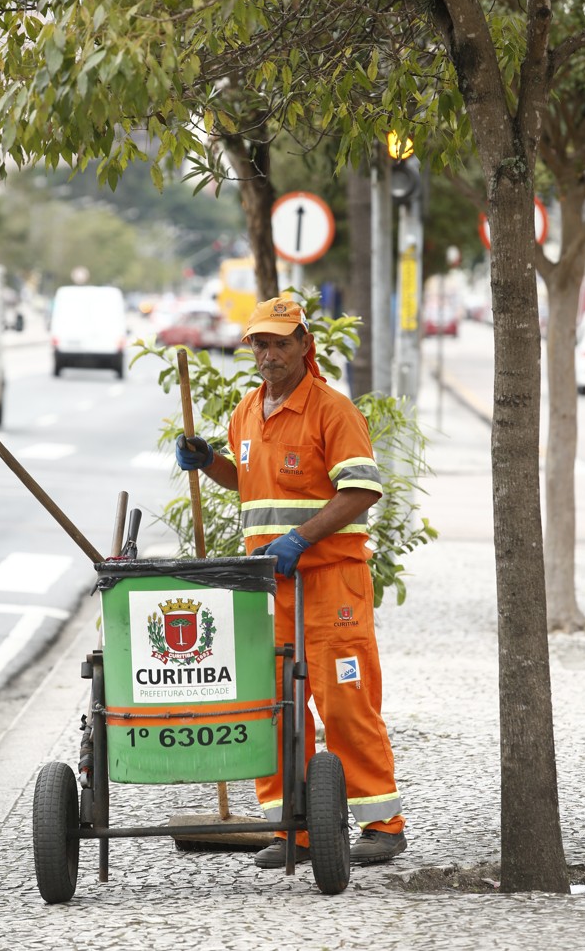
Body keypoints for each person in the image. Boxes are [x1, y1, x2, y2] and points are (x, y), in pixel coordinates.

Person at [175, 296, 406, 868]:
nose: (270, 354)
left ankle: (382, 823)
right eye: (261, 343)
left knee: (345, 702)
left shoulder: (332, 410)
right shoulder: (247, 410)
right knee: (274, 705)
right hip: (270, 586)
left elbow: (362, 490)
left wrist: (302, 539)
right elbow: (246, 480)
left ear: (305, 345)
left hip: (330, 582)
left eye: (281, 343)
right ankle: (292, 829)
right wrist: (208, 461)